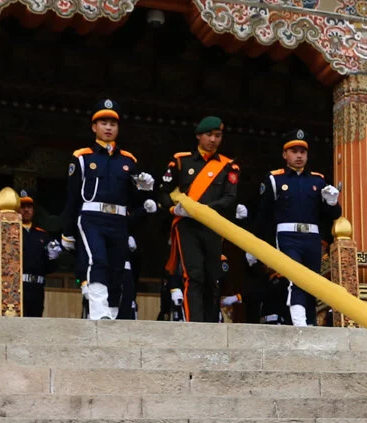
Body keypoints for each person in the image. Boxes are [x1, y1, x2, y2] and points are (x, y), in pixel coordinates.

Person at [64, 100, 156, 321]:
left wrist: (144, 188)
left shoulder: (128, 160)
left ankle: (112, 312)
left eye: (112, 124)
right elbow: (72, 195)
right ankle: (99, 311)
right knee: (97, 260)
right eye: (103, 123)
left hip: (118, 219)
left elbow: (132, 198)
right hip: (91, 217)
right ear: (94, 127)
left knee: (117, 267)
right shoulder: (82, 157)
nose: (108, 128)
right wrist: (67, 232)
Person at [250, 129, 340, 326]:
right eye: (294, 151)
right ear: (285, 154)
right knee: (296, 276)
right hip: (287, 235)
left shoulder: (318, 180)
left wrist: (332, 202)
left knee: (313, 280)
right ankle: (299, 322)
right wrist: (253, 244)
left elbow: (333, 215)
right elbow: (263, 215)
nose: (299, 156)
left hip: (312, 237)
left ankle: (310, 322)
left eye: (302, 152)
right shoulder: (275, 179)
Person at [161, 116, 241, 323]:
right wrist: (175, 209)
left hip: (212, 225)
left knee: (212, 276)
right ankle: (194, 324)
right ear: (198, 136)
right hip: (187, 225)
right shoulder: (182, 161)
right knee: (193, 275)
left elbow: (229, 198)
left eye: (218, 136)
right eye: (209, 135)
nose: (213, 140)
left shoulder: (228, 166)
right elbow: (164, 191)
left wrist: (203, 211)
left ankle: (210, 323)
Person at [17, 192, 63, 317]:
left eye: (29, 207)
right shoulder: (12, 232)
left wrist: (53, 257)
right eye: (22, 207)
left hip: (37, 286)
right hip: (17, 286)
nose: (26, 210)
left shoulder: (42, 235)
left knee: (35, 319)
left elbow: (50, 267)